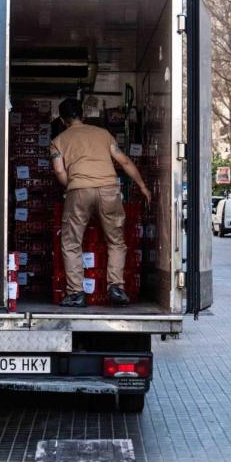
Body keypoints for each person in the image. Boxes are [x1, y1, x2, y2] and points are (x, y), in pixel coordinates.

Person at [51, 98, 151, 308]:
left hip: (78, 190)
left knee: (71, 243)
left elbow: (59, 171)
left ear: (62, 120)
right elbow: (123, 161)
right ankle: (116, 287)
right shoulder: (103, 134)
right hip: (109, 189)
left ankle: (76, 293)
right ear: (83, 115)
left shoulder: (58, 140)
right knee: (116, 240)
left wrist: (73, 185)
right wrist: (142, 186)